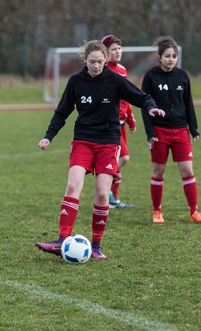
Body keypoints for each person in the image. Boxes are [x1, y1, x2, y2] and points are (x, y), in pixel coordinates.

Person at [35, 40, 165, 260]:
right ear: (85, 60)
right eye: (92, 62)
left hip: (108, 141)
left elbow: (141, 97)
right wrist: (48, 137)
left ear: (106, 60)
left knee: (103, 194)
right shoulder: (76, 81)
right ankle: (61, 240)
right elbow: (62, 112)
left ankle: (95, 246)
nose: (96, 66)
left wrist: (151, 108)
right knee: (73, 184)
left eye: (100, 62)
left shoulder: (115, 80)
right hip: (83, 140)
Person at [141, 36, 201, 223]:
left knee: (187, 171)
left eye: (174, 56)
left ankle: (194, 211)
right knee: (159, 171)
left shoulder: (182, 76)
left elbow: (188, 103)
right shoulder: (151, 77)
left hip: (181, 131)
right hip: (159, 131)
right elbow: (145, 106)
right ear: (159, 57)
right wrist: (150, 133)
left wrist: (194, 128)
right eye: (167, 56)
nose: (171, 59)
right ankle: (157, 211)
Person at [101, 35, 136, 209]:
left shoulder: (122, 69)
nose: (117, 52)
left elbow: (126, 96)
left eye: (119, 48)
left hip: (122, 123)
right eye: (113, 49)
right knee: (123, 158)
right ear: (106, 52)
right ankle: (105, 190)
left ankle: (112, 199)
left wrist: (130, 119)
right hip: (110, 125)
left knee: (118, 160)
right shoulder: (103, 70)